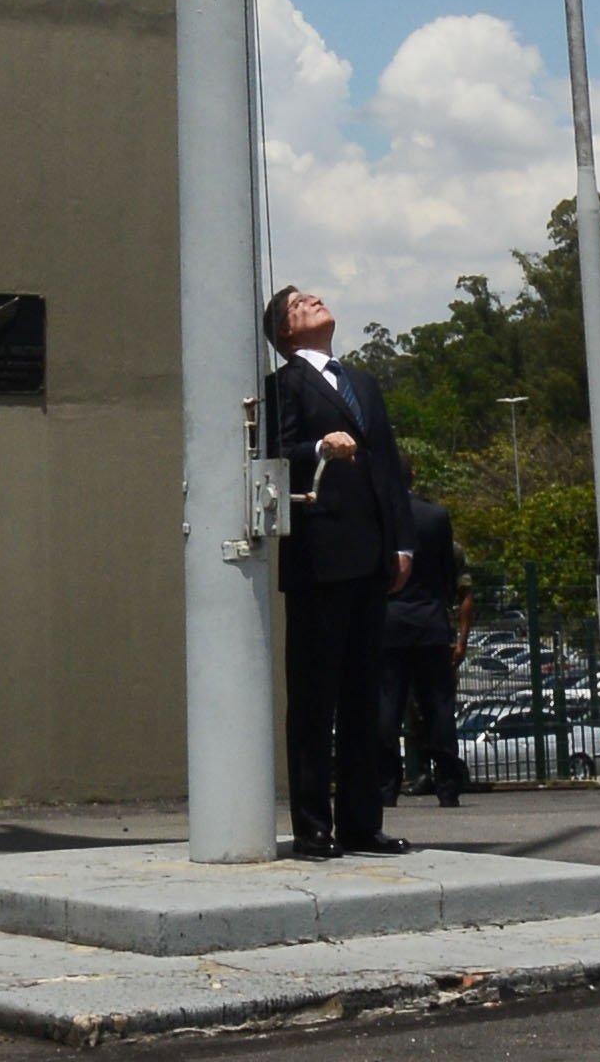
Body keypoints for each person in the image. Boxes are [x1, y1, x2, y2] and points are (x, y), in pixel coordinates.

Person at [264, 286, 415, 858]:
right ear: (285, 332)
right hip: (319, 556)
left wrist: (403, 544)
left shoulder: (364, 384)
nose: (315, 301)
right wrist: (320, 448)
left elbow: (389, 469)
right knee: (314, 695)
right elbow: (275, 453)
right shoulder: (282, 386)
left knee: (362, 695)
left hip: (371, 554)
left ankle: (361, 820)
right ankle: (312, 825)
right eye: (301, 302)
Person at [380, 493, 472, 807]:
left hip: (389, 620)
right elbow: (449, 571)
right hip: (430, 620)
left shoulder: (378, 514)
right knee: (439, 705)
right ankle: (447, 782)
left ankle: (386, 785)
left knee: (387, 705)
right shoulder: (436, 516)